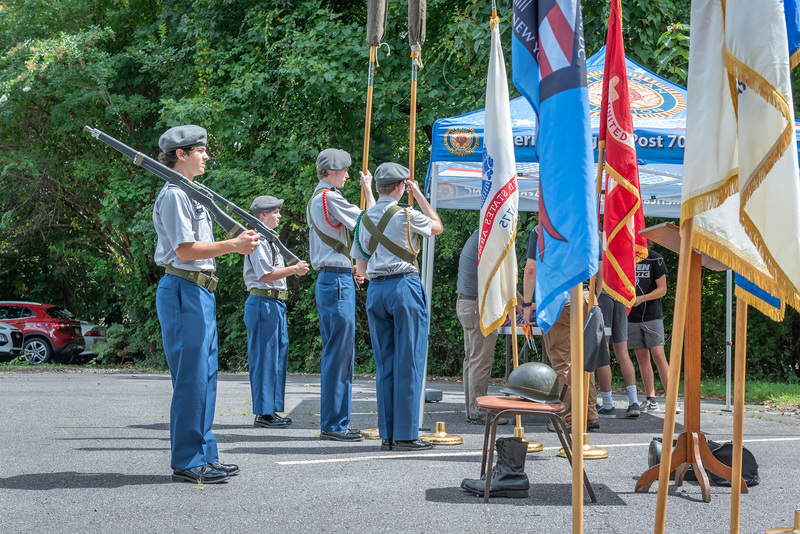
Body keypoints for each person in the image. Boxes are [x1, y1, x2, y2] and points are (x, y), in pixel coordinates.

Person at [153, 125, 260, 484]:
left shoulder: (191, 192)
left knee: (206, 377)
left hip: (198, 291)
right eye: (200, 150)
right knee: (191, 379)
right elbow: (185, 250)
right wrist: (235, 246)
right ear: (180, 154)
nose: (207, 156)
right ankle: (187, 459)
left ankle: (204, 453)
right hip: (183, 288)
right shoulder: (174, 195)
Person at [352, 162, 443, 451]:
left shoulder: (364, 218)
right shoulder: (407, 213)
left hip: (377, 291)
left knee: (385, 363)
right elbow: (437, 227)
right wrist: (421, 197)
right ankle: (405, 434)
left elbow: (361, 266)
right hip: (404, 286)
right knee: (410, 360)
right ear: (402, 186)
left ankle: (388, 433)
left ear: (378, 187)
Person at [306, 148, 375, 442]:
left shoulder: (318, 198)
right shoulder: (330, 198)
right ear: (332, 171)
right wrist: (369, 190)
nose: (348, 175)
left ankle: (337, 421)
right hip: (336, 280)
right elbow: (371, 223)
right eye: (345, 170)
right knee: (339, 354)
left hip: (334, 278)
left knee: (340, 352)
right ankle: (334, 423)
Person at [522, 225, 599, 432]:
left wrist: (527, 305)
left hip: (559, 298)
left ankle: (567, 416)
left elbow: (531, 269)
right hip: (585, 295)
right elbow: (601, 265)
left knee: (562, 361)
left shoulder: (541, 229)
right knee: (585, 358)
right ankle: (589, 413)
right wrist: (594, 297)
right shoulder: (585, 223)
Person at [244, 195, 310, 429]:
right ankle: (263, 413)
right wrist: (293, 269)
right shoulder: (258, 240)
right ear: (263, 215)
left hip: (274, 304)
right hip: (263, 302)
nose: (279, 215)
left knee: (276, 357)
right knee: (264, 358)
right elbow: (264, 275)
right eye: (275, 212)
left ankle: (270, 410)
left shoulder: (270, 240)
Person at [456, 228, 516, 425]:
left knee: (472, 360)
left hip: (468, 304)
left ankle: (472, 409)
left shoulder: (476, 238)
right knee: (480, 361)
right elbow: (500, 281)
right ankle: (479, 412)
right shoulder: (485, 243)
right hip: (477, 307)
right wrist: (521, 303)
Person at [595, 258, 642, 418]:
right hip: (620, 296)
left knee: (603, 352)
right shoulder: (618, 237)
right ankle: (634, 402)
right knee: (623, 353)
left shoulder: (597, 240)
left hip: (602, 296)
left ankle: (608, 404)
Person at [628, 245, 673, 412]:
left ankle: (672, 399)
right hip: (631, 316)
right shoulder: (625, 257)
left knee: (658, 354)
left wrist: (642, 299)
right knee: (641, 357)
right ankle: (651, 398)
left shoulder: (655, 257)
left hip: (652, 315)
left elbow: (663, 290)